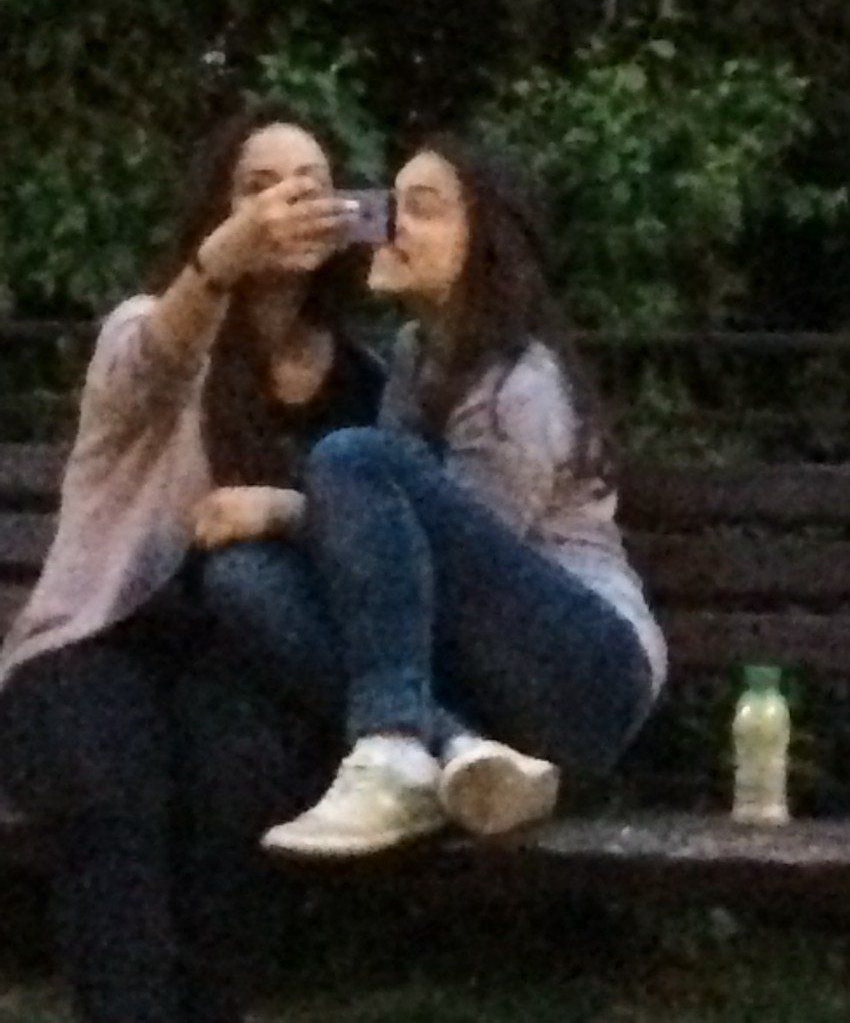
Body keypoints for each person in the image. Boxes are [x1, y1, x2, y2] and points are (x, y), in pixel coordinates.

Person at [0, 99, 384, 1023]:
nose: (285, 204)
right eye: (258, 187)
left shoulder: (366, 379)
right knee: (113, 787)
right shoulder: (152, 326)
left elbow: (377, 531)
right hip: (101, 642)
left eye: (309, 185)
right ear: (218, 210)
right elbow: (155, 362)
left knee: (237, 780)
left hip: (243, 661)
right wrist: (222, 261)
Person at [198, 136, 667, 860]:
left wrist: (283, 508)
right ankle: (459, 750)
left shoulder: (522, 384)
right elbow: (392, 576)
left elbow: (445, 577)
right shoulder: (416, 355)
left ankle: (394, 745)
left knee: (349, 456)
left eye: (422, 209)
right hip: (490, 698)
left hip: (588, 676)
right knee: (242, 579)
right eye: (390, 205)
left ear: (485, 246)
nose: (390, 226)